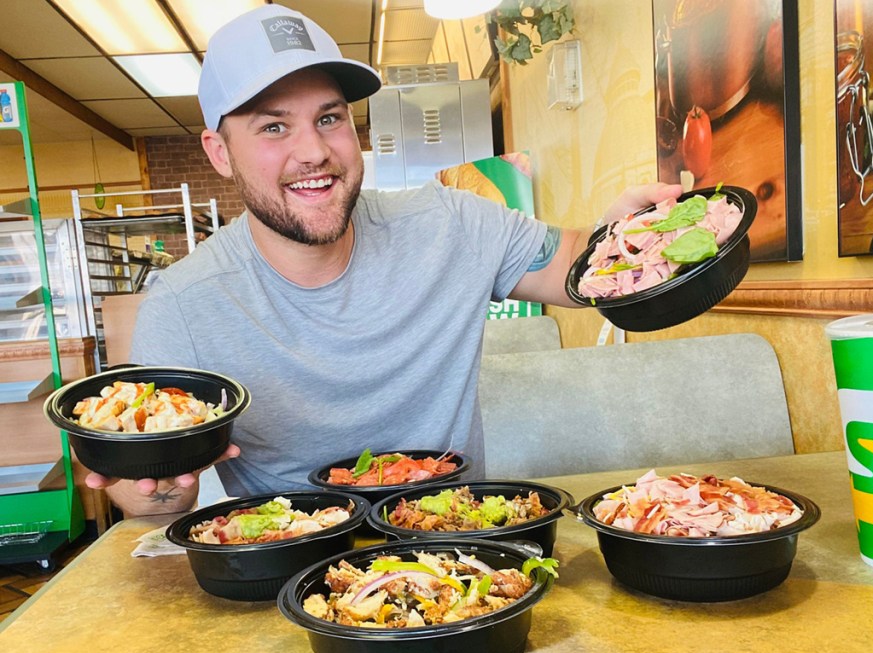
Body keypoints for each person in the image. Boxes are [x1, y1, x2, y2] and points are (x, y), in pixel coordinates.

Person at [86, 4, 681, 516]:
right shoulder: (184, 305)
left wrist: (627, 237)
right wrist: (151, 481)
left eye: (330, 118)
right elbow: (157, 499)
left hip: (461, 551)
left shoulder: (450, 223)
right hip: (291, 567)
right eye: (273, 126)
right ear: (220, 153)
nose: (314, 151)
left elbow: (575, 265)